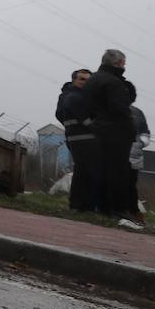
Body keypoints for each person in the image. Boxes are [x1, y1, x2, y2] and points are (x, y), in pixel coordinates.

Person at [83, 48, 140, 226]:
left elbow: (89, 106)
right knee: (118, 172)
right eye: (123, 63)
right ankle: (118, 209)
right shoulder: (114, 82)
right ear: (117, 63)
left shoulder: (93, 79)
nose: (124, 67)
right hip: (117, 132)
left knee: (102, 170)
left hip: (99, 129)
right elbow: (119, 108)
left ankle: (102, 207)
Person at [55, 68, 98, 212]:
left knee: (84, 171)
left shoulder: (76, 96)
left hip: (79, 138)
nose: (85, 83)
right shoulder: (72, 96)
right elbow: (83, 116)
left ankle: (81, 205)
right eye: (82, 79)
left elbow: (60, 115)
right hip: (81, 138)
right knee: (86, 171)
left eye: (88, 80)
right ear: (74, 80)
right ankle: (81, 205)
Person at [129, 105, 151, 221]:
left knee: (130, 184)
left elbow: (145, 133)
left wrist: (140, 143)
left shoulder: (137, 112)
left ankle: (131, 211)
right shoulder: (107, 108)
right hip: (118, 153)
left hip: (133, 155)